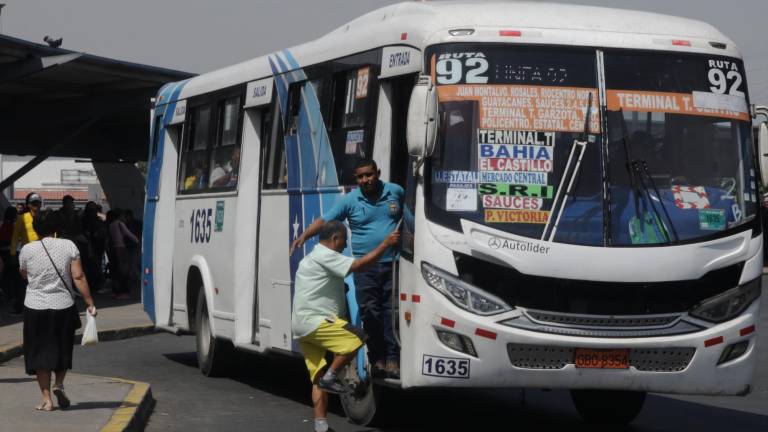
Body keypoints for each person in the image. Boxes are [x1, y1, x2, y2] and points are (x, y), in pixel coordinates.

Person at [291, 159, 404, 379]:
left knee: (393, 312)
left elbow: (409, 220)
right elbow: (325, 220)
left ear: (377, 173)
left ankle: (393, 359)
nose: (365, 180)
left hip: (393, 264)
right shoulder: (351, 200)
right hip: (365, 267)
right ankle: (377, 360)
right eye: (360, 177)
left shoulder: (395, 192)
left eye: (369, 175)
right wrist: (304, 235)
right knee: (370, 312)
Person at [293, 220, 399, 432]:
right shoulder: (327, 255)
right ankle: (333, 377)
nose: (344, 246)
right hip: (317, 321)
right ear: (334, 239)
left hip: (301, 326)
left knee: (317, 378)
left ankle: (321, 426)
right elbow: (359, 265)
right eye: (343, 242)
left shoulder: (310, 258)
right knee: (357, 337)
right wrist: (385, 244)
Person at [19, 214, 96, 411]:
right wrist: (89, 303)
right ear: (56, 228)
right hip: (62, 305)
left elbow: (24, 274)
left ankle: (46, 399)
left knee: (38, 351)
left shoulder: (27, 249)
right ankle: (59, 384)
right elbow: (78, 276)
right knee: (61, 347)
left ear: (35, 229)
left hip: (34, 306)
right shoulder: (69, 246)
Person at [10, 193, 43, 316]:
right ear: (29, 205)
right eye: (34, 203)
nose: (36, 206)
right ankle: (18, 307)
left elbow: (52, 232)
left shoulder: (44, 217)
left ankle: (38, 307)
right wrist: (13, 253)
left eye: (38, 203)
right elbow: (15, 236)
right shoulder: (22, 218)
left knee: (40, 281)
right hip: (27, 255)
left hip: (43, 254)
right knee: (23, 282)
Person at [107, 209, 139, 299]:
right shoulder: (119, 224)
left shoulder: (111, 224)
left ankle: (115, 291)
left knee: (116, 271)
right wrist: (138, 241)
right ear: (120, 216)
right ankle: (123, 292)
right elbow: (128, 234)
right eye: (123, 216)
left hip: (113, 249)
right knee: (124, 271)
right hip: (121, 249)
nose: (125, 218)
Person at [0, 206, 23, 314]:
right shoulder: (14, 225)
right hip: (12, 253)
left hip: (3, 254)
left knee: (6, 276)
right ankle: (13, 296)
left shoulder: (3, 224)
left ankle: (7, 295)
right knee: (15, 277)